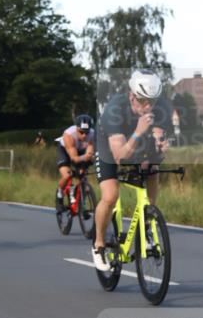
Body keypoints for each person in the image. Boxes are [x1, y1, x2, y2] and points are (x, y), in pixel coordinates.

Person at [92, 69, 173, 272]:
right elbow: (120, 157)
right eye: (143, 101)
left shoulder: (160, 106)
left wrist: (160, 144)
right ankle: (98, 244)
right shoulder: (114, 110)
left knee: (152, 169)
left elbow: (158, 134)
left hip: (137, 140)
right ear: (131, 96)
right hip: (110, 146)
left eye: (152, 102)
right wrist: (138, 131)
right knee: (110, 195)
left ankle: (148, 220)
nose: (148, 107)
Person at [55, 114, 95, 209]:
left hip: (80, 150)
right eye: (81, 132)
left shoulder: (93, 134)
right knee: (67, 175)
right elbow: (74, 158)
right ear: (76, 128)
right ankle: (59, 195)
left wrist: (90, 157)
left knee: (82, 176)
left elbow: (89, 152)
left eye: (86, 132)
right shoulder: (69, 134)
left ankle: (80, 204)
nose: (84, 135)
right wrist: (86, 157)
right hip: (65, 150)